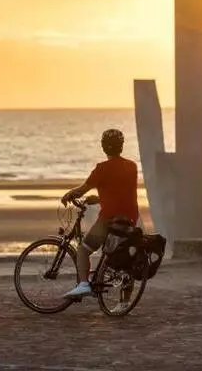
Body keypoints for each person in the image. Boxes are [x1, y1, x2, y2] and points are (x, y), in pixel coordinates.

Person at [61, 128, 139, 299]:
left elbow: (81, 190)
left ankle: (83, 285)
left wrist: (69, 195)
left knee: (83, 250)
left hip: (109, 219)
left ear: (103, 147)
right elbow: (121, 192)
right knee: (124, 257)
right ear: (121, 146)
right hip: (130, 218)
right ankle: (125, 302)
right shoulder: (132, 166)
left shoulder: (101, 169)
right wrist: (98, 198)